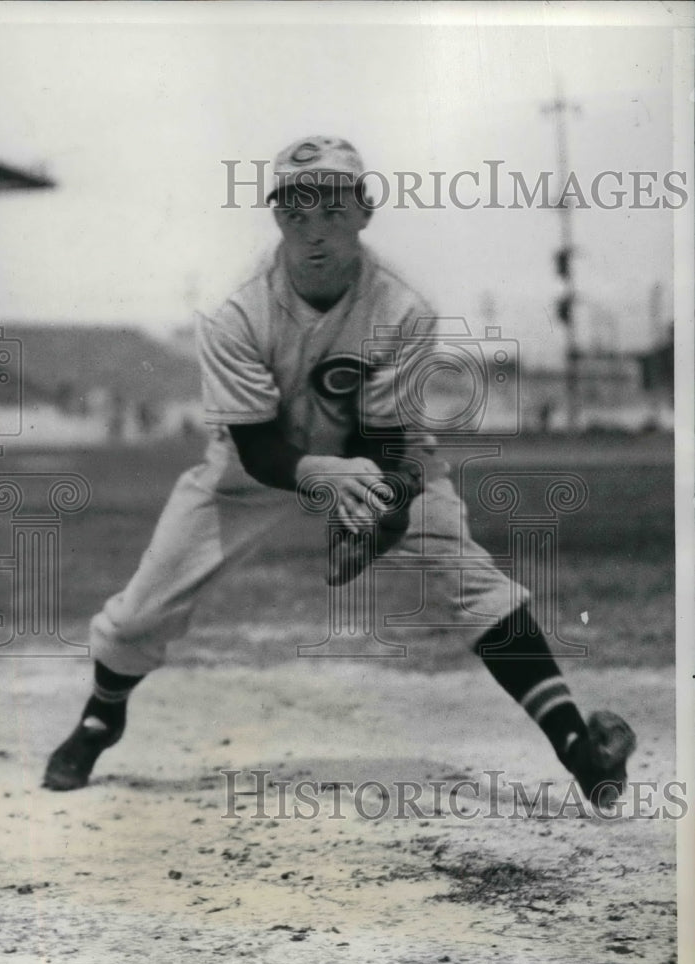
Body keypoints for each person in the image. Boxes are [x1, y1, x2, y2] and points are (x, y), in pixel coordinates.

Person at [43, 136, 635, 806]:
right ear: (275, 219)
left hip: (378, 456)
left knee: (470, 581)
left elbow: (383, 437)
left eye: (330, 210)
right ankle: (99, 718)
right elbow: (260, 448)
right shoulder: (237, 309)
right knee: (135, 616)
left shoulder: (402, 307)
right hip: (252, 466)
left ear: (364, 211)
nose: (314, 232)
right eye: (296, 214)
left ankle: (579, 750)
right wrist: (325, 476)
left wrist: (381, 503)